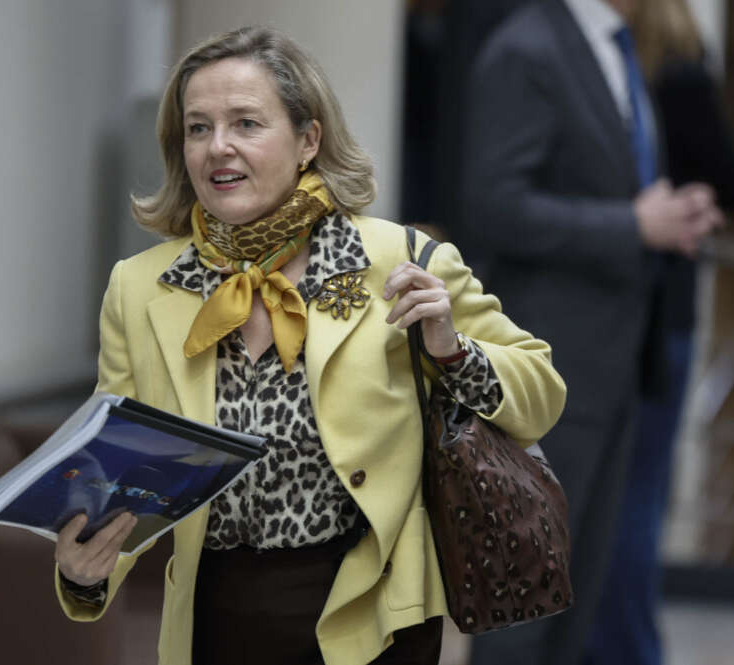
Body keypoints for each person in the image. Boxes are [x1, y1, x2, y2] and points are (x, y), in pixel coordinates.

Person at [50, 26, 566, 665]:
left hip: (372, 612)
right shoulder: (139, 288)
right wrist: (85, 571)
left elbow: (541, 398)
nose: (219, 148)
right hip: (216, 616)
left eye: (246, 123)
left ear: (308, 140)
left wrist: (451, 348)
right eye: (198, 127)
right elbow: (123, 471)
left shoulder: (399, 259)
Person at [448, 2, 723, 665]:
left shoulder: (618, 48)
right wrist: (632, 226)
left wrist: (665, 217)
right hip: (547, 373)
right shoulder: (527, 47)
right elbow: (492, 203)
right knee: (525, 606)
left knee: (577, 602)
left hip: (614, 367)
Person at [585, 1, 734, 664]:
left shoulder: (632, 71)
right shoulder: (671, 71)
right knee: (634, 500)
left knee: (616, 500)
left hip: (633, 309)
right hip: (656, 312)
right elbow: (732, 178)